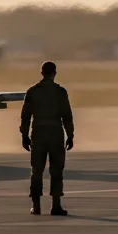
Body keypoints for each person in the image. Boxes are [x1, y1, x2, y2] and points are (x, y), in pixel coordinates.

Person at [20, 61, 74, 215]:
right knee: (56, 170)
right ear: (54, 73)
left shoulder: (32, 92)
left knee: (37, 170)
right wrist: (70, 135)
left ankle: (36, 206)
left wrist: (24, 135)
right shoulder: (60, 92)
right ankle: (55, 205)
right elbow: (67, 116)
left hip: (38, 134)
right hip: (56, 134)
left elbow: (25, 116)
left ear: (42, 73)